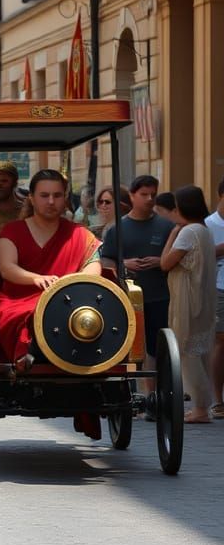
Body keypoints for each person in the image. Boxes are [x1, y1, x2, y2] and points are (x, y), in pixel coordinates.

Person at [0, 169, 102, 374]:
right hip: (19, 300)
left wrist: (68, 283)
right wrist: (38, 279)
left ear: (65, 198)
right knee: (24, 314)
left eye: (57, 195)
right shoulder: (12, 231)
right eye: (44, 195)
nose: (51, 201)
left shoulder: (79, 233)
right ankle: (26, 355)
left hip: (69, 300)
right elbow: (7, 269)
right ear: (32, 199)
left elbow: (94, 266)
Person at [100, 175, 174, 413]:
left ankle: (155, 397)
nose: (149, 199)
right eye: (144, 194)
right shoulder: (117, 229)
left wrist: (160, 261)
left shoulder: (166, 226)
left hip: (159, 295)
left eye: (153, 194)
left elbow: (175, 259)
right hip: (126, 297)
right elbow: (106, 260)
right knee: (128, 347)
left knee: (157, 347)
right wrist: (125, 264)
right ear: (132, 196)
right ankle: (130, 394)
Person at [161, 185, 217, 423]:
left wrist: (173, 234)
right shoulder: (204, 229)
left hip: (187, 300)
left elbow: (165, 263)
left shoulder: (186, 232)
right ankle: (201, 406)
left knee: (186, 352)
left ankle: (201, 409)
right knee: (200, 351)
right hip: (202, 298)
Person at [205, 178, 224, 419]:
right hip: (219, 288)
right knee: (220, 341)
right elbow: (201, 255)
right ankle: (217, 400)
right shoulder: (208, 224)